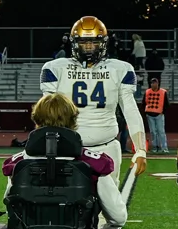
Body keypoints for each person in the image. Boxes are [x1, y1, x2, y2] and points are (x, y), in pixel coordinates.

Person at [39, 16, 148, 184]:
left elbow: (130, 110)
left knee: (108, 205)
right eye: (84, 42)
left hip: (106, 146)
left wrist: (140, 149)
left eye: (93, 42)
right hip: (68, 148)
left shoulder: (119, 69)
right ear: (74, 42)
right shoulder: (56, 68)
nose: (89, 47)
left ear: (103, 43)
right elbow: (46, 114)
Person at [5, 93, 129, 229]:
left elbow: (11, 207)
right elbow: (118, 217)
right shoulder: (95, 163)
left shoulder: (17, 164)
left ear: (37, 120)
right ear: (73, 120)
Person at [142, 76, 170, 153]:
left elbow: (167, 104)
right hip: (150, 115)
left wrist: (162, 112)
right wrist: (146, 112)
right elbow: (143, 103)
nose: (153, 84)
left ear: (157, 83)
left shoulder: (163, 92)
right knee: (153, 132)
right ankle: (155, 147)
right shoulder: (147, 92)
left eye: (154, 83)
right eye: (152, 83)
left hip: (159, 114)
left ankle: (164, 148)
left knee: (161, 131)